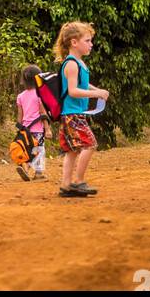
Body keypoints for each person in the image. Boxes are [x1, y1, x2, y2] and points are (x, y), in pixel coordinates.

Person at [55, 21, 108, 199]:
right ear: (74, 42)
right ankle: (78, 181)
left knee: (73, 150)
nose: (91, 44)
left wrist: (96, 91)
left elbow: (82, 84)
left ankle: (66, 184)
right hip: (72, 115)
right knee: (90, 144)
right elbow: (73, 91)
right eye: (87, 40)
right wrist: (96, 94)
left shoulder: (78, 63)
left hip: (74, 114)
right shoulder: (71, 64)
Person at [15, 64, 49, 181]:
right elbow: (43, 113)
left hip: (25, 130)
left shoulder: (20, 96)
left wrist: (20, 130)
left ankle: (25, 166)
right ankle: (39, 173)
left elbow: (20, 116)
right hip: (38, 129)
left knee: (29, 149)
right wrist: (48, 129)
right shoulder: (40, 95)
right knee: (39, 149)